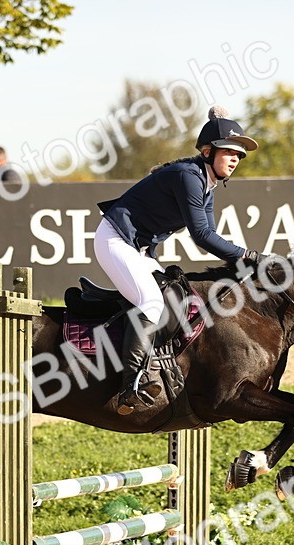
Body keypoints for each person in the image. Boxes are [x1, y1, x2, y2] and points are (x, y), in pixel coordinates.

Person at [94, 106, 268, 415]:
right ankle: (130, 385)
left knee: (177, 301)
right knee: (150, 302)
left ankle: (163, 368)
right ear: (207, 151)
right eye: (229, 151)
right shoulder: (189, 176)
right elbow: (201, 235)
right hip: (115, 240)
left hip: (140, 249)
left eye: (239, 155)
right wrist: (247, 255)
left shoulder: (206, 184)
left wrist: (242, 260)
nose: (235, 159)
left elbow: (209, 234)